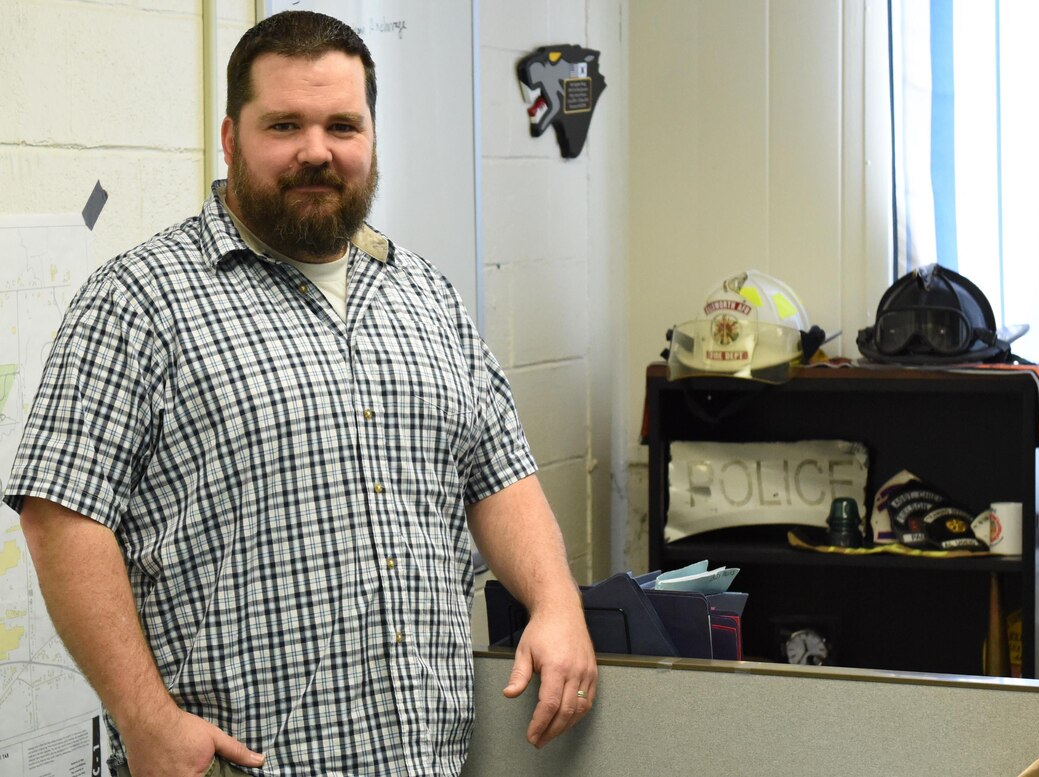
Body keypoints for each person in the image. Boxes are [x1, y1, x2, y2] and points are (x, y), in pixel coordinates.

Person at [5, 10, 596, 777]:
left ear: (372, 138)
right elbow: (61, 515)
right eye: (284, 124)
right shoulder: (138, 300)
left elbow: (498, 472)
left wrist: (555, 603)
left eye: (342, 126)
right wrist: (144, 717)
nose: (316, 151)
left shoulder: (425, 295)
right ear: (230, 139)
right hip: (240, 762)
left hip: (425, 757)